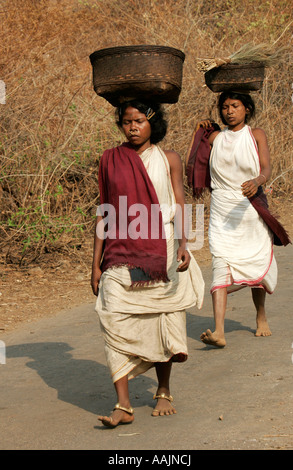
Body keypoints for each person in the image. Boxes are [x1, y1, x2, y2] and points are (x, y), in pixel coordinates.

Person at [91, 100, 204, 427]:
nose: (133, 127)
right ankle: (123, 405)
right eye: (127, 121)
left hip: (162, 247)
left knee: (162, 315)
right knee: (111, 312)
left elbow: (180, 203)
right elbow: (104, 210)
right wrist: (95, 264)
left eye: (139, 120)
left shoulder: (168, 159)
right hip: (120, 248)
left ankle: (164, 389)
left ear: (153, 122)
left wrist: (186, 244)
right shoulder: (110, 160)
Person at [186, 91, 290, 348]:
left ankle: (260, 315)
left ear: (247, 109)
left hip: (250, 208)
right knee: (221, 262)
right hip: (222, 208)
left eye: (235, 106)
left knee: (254, 261)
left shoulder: (256, 135)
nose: (229, 111)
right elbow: (194, 157)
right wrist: (199, 130)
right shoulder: (215, 137)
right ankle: (219, 330)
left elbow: (266, 168)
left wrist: (257, 181)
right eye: (225, 107)